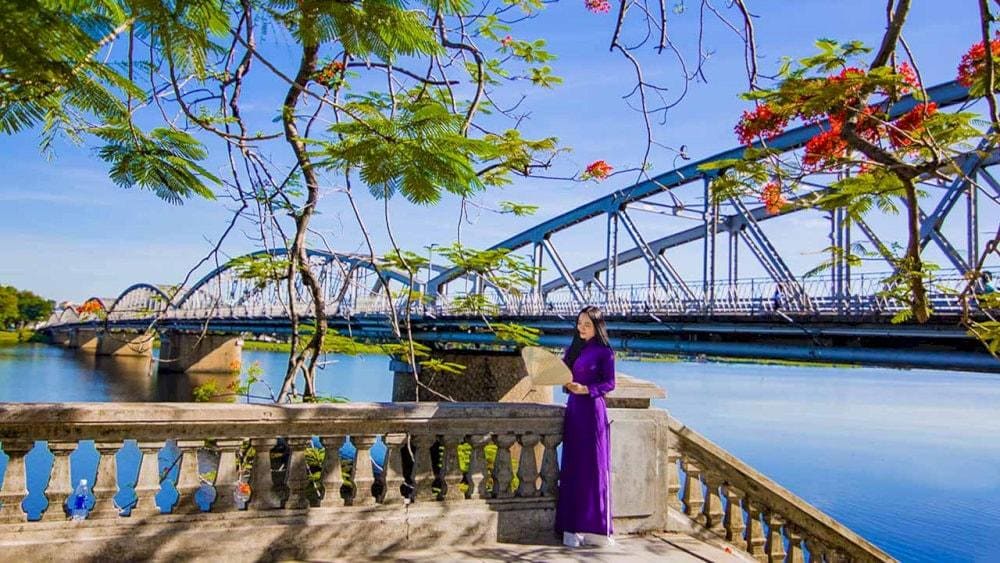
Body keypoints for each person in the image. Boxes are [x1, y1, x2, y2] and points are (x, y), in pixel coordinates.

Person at [556, 305, 616, 548]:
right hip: (574, 411)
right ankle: (571, 527)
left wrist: (587, 389)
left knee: (595, 466)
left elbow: (610, 383)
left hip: (593, 410)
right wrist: (566, 384)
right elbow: (561, 377)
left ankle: (597, 528)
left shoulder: (605, 352)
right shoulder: (572, 349)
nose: (581, 328)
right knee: (573, 466)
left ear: (597, 327)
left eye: (587, 324)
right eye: (579, 323)